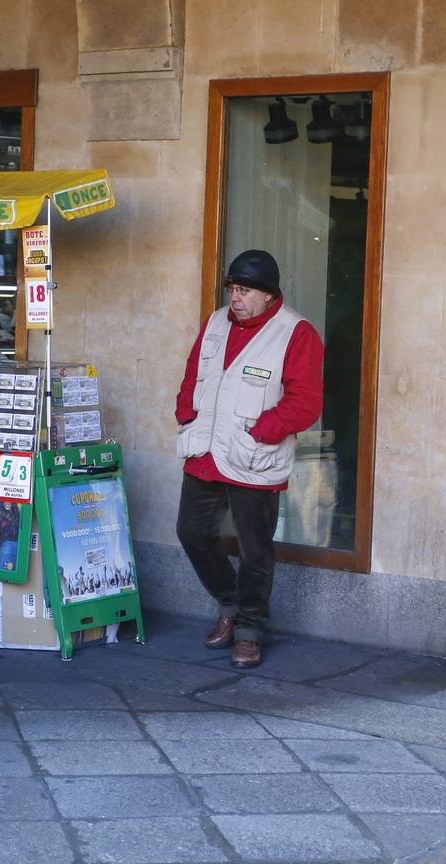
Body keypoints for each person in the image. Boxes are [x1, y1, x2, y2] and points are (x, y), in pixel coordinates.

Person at [174, 249, 324, 668]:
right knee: (191, 532)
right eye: (233, 289)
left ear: (268, 295)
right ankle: (229, 602)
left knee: (255, 551)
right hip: (205, 450)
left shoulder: (296, 333)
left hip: (255, 456)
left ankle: (249, 631)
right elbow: (193, 374)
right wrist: (186, 412)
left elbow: (305, 402)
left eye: (244, 291)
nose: (235, 298)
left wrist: (262, 431)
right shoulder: (215, 323)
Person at [0, 500, 20, 570]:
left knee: (4, 574)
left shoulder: (17, 514)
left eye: (9, 500)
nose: (7, 502)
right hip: (11, 548)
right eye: (4, 500)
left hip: (15, 548)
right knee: (5, 574)